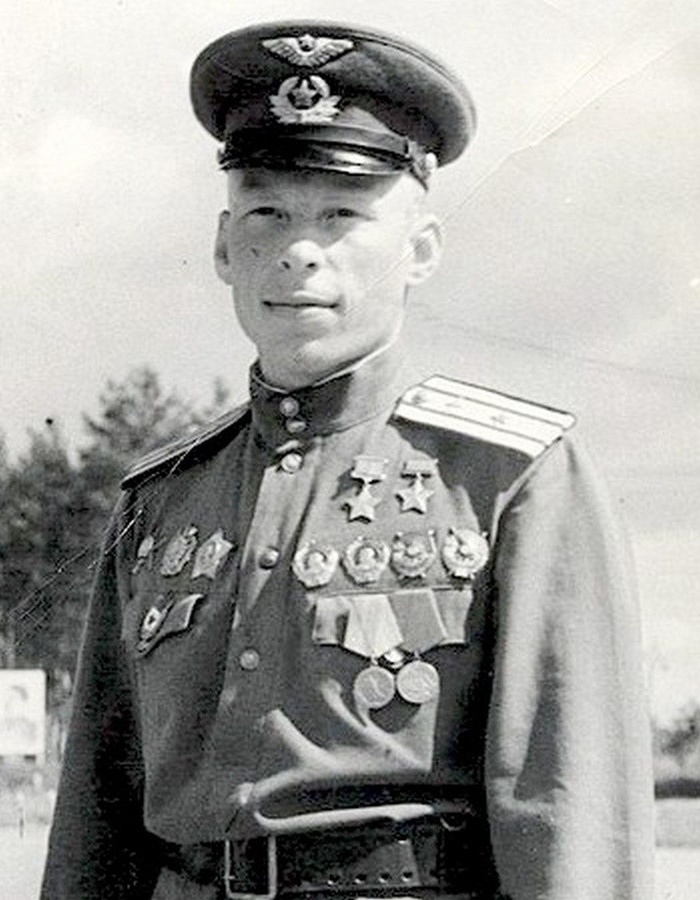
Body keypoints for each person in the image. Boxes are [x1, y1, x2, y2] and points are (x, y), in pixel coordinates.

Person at [41, 20, 655, 900]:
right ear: (223, 247)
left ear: (420, 250)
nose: (300, 250)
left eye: (343, 215)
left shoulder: (510, 477)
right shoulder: (162, 498)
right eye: (268, 213)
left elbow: (570, 813)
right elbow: (94, 821)